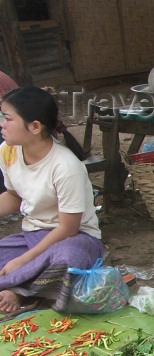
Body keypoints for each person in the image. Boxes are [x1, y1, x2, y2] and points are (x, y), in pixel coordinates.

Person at [0, 86, 103, 318]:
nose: (2, 124)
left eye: (7, 118)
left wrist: (22, 261)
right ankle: (22, 285)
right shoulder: (8, 151)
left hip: (73, 239)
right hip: (31, 237)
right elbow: (14, 196)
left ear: (35, 127)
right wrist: (22, 257)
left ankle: (20, 292)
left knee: (67, 260)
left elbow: (68, 228)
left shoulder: (65, 166)